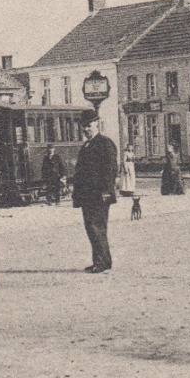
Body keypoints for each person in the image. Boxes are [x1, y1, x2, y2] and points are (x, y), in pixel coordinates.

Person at [73, 112, 118, 273]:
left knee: (96, 226)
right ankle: (101, 260)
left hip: (99, 195)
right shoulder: (87, 145)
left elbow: (110, 169)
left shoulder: (105, 144)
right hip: (87, 196)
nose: (86, 129)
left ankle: (102, 262)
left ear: (97, 124)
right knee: (92, 227)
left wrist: (106, 191)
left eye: (89, 126)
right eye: (84, 126)